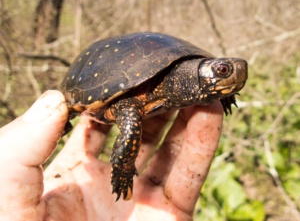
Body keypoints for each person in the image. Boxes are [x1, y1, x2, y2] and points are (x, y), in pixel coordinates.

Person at [0, 90, 223, 221]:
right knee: (131, 124)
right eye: (223, 70)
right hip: (119, 95)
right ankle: (120, 172)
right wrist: (123, 168)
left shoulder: (185, 83)